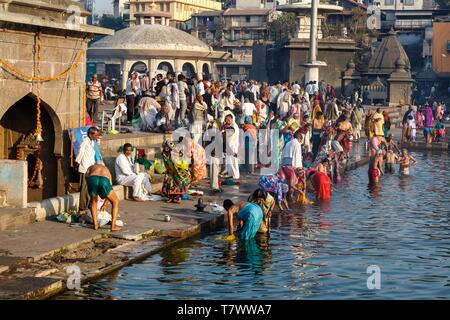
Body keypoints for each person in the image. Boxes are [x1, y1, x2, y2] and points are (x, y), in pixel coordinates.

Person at [85, 164, 120, 232]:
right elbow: (110, 187)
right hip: (104, 180)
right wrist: (105, 204)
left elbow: (86, 178)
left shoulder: (91, 167)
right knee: (115, 201)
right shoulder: (106, 169)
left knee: (94, 202)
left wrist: (92, 198)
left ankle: (95, 224)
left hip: (92, 179)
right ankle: (113, 226)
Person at [75, 126, 102, 214]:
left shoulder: (92, 142)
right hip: (84, 168)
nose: (96, 136)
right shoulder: (85, 142)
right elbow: (80, 153)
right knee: (84, 188)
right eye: (95, 135)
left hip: (91, 168)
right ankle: (82, 208)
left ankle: (89, 205)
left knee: (90, 188)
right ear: (90, 134)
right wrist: (77, 162)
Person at [222, 114, 240, 180]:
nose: (227, 121)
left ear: (231, 119)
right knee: (230, 161)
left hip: (233, 146)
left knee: (234, 161)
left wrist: (224, 132)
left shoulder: (234, 126)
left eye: (228, 119)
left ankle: (236, 175)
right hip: (230, 145)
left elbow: (229, 135)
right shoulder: (231, 126)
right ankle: (231, 174)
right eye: (226, 119)